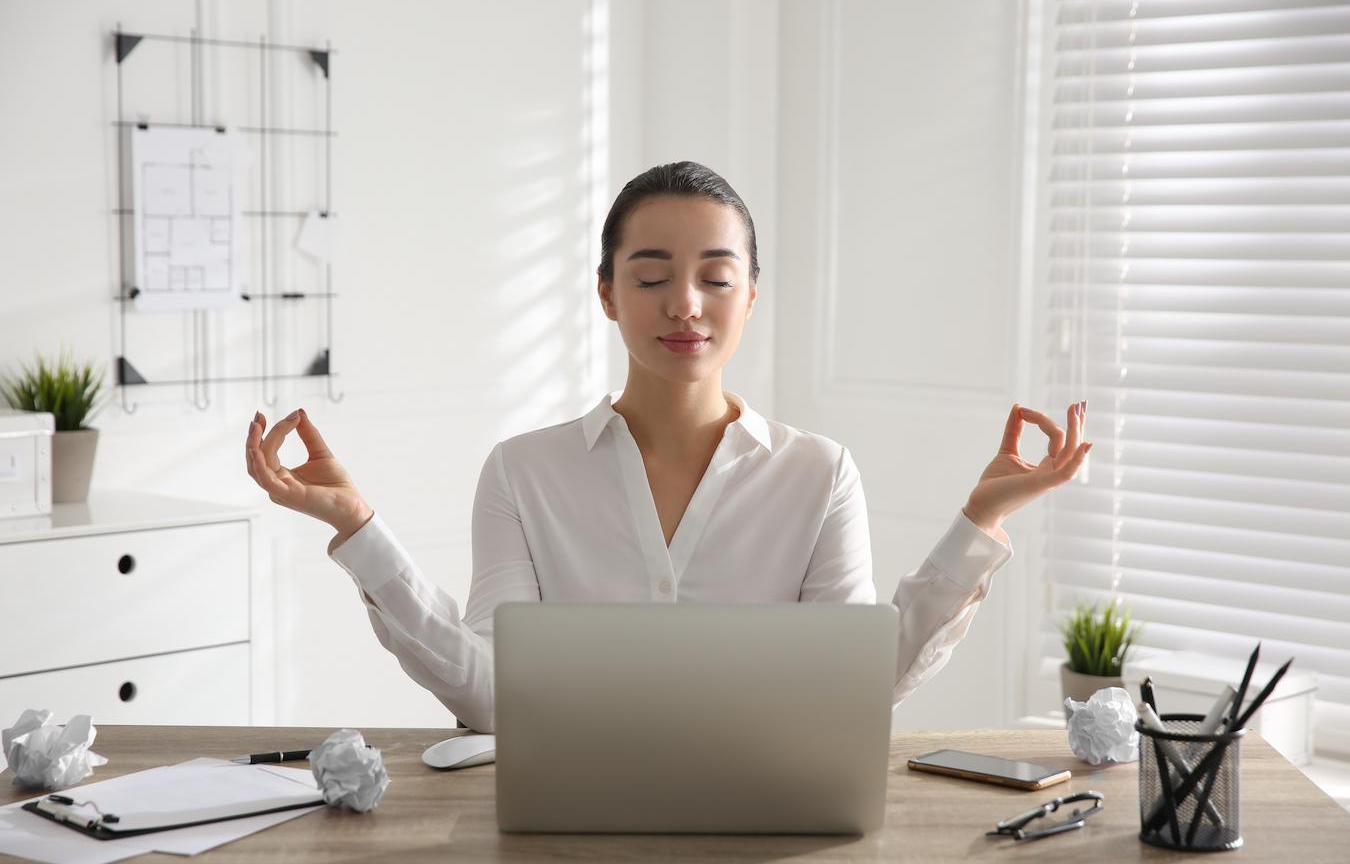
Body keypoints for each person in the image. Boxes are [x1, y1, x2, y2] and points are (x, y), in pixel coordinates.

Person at [243, 161, 1090, 734]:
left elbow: (856, 681)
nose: (684, 304)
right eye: (650, 278)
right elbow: (490, 694)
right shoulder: (523, 471)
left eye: (716, 279)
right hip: (569, 817)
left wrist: (982, 518)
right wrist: (358, 528)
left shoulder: (819, 472)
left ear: (750, 297)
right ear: (607, 294)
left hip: (766, 814)